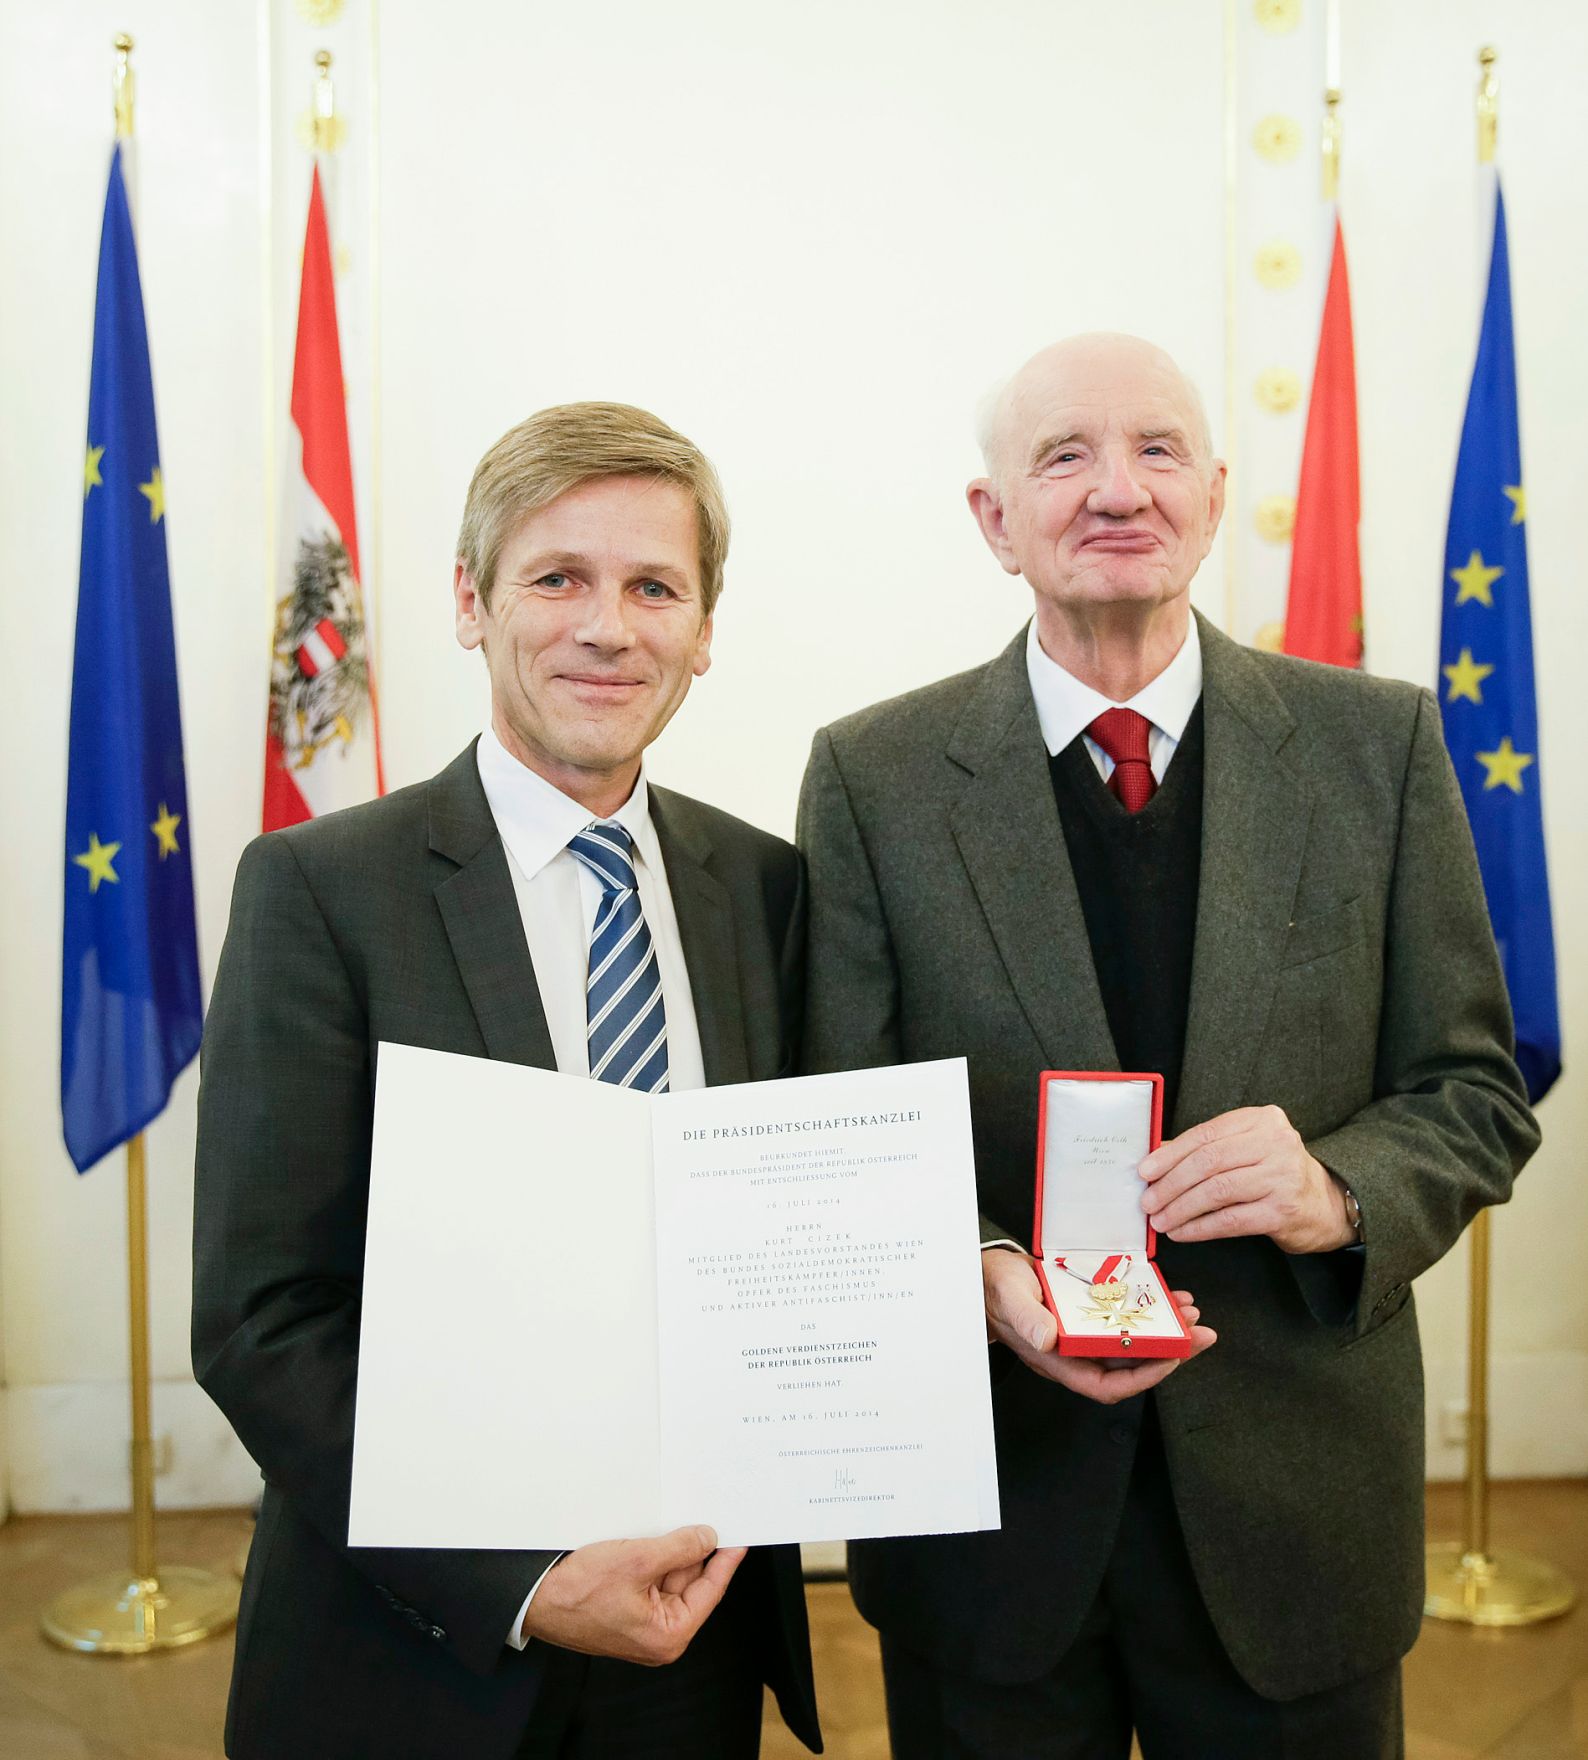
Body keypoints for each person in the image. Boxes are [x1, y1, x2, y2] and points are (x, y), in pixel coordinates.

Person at [796, 333, 1538, 1758]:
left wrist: (1336, 1189)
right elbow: (843, 1135)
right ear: (993, 518)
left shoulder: (1375, 747)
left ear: (1209, 494)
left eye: (1154, 452)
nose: (1114, 489)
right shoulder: (872, 779)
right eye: (1063, 455)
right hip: (994, 1514)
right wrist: (988, 1274)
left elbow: (1472, 1092)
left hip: (1298, 1514)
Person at [193, 403, 820, 1760]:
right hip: (413, 1657)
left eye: (655, 586)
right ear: (472, 604)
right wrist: (524, 1581)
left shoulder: (768, 890)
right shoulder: (321, 891)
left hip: (693, 1640)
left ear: (705, 629)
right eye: (558, 579)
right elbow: (259, 1317)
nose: (610, 627)